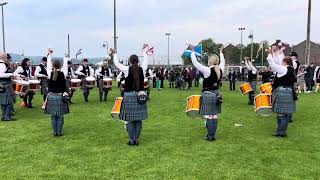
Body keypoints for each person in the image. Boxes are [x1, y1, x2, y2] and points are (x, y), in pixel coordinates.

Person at [111, 45, 149, 146]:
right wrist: (144, 52)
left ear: (130, 61)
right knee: (139, 120)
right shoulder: (142, 69)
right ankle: (136, 139)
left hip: (129, 96)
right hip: (141, 96)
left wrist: (115, 53)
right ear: (137, 61)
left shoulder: (127, 69)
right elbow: (146, 61)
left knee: (130, 120)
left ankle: (131, 140)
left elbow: (117, 63)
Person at [190, 45, 225, 141]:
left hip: (208, 94)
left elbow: (195, 63)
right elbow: (223, 62)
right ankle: (213, 136)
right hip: (217, 94)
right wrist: (221, 52)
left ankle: (210, 136)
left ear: (211, 61)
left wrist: (192, 51)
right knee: (214, 115)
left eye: (209, 60)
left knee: (209, 116)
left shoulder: (207, 70)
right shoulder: (220, 69)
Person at [267, 47, 296, 138]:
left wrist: (269, 55)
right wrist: (275, 53)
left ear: (285, 62)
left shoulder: (284, 69)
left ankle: (281, 132)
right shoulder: (290, 68)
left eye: (282, 62)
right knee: (285, 113)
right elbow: (278, 61)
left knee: (281, 113)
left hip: (282, 92)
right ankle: (281, 131)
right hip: (289, 91)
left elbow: (273, 65)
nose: (281, 63)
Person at [45, 50, 69, 137]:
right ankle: (59, 132)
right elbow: (65, 66)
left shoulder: (49, 73)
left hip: (51, 96)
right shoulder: (63, 73)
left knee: (53, 116)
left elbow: (48, 65)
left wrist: (49, 55)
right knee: (60, 116)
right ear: (60, 65)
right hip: (59, 96)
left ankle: (55, 132)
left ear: (52, 65)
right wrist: (65, 57)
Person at [0, 53, 16, 121]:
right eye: (7, 57)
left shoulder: (2, 64)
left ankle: (3, 116)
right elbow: (1, 74)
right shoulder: (2, 64)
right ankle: (7, 116)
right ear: (4, 57)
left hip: (2, 85)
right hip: (5, 84)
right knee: (10, 101)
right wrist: (11, 74)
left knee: (3, 102)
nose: (8, 59)